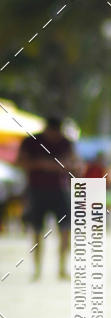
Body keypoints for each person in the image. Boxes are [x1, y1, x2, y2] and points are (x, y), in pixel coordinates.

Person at [17, 116, 79, 279]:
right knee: (37, 231)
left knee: (66, 230)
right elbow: (20, 161)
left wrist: (56, 166)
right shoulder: (31, 141)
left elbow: (75, 164)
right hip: (36, 190)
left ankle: (62, 268)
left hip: (60, 190)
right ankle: (37, 270)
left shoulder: (66, 143)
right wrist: (42, 164)